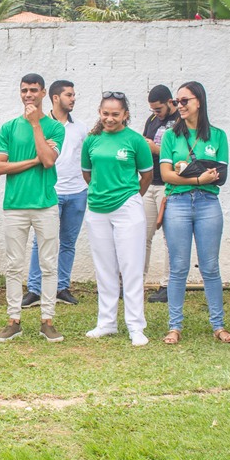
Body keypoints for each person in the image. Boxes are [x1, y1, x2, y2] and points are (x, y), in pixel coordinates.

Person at [158, 81, 230, 345]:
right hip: (178, 203)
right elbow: (166, 174)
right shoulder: (171, 136)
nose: (179, 106)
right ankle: (174, 326)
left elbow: (221, 175)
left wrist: (186, 171)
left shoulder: (218, 135)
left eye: (184, 101)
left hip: (208, 203)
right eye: (176, 101)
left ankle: (218, 325)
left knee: (210, 266)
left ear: (199, 101)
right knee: (178, 267)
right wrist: (199, 177)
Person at [0, 74, 66, 343]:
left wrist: (35, 124)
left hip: (45, 205)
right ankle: (14, 320)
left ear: (43, 93)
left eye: (34, 90)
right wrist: (33, 160)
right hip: (15, 206)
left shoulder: (55, 128)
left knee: (48, 264)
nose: (28, 95)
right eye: (24, 90)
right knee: (13, 265)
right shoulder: (9, 128)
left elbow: (48, 160)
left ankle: (47, 320)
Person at [81, 92, 154, 346]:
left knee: (131, 268)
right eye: (105, 113)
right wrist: (103, 192)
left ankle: (136, 326)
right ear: (99, 112)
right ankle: (107, 323)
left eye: (115, 114)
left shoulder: (135, 141)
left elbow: (146, 175)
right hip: (96, 209)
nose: (109, 118)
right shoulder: (91, 140)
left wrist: (129, 197)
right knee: (104, 268)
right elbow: (87, 173)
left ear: (125, 115)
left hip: (127, 208)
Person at [23, 80, 86, 307]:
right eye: (69, 95)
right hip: (51, 191)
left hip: (77, 192)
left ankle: (61, 287)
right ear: (56, 98)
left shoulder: (81, 128)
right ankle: (34, 289)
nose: (73, 99)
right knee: (41, 242)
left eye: (74, 94)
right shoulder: (42, 124)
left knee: (68, 242)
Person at [142, 85, 180, 304]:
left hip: (169, 184)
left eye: (159, 109)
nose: (156, 113)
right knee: (143, 235)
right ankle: (136, 282)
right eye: (153, 110)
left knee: (170, 237)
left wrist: (156, 149)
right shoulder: (152, 120)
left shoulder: (180, 121)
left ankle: (167, 285)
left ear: (170, 102)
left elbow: (182, 154)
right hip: (150, 183)